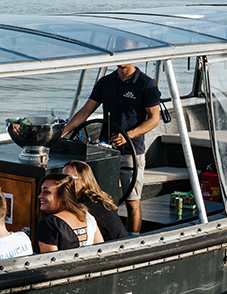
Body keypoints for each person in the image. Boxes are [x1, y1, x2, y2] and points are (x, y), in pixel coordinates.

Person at [62, 63, 162, 233]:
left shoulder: (146, 84)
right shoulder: (106, 82)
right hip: (105, 153)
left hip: (131, 152)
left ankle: (132, 240)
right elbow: (86, 111)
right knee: (100, 201)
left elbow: (154, 119)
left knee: (132, 202)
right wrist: (63, 132)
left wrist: (128, 135)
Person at [64, 160, 126, 242]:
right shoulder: (96, 199)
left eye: (68, 178)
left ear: (84, 180)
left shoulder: (86, 205)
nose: (63, 182)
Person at [34, 174, 94, 253]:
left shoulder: (49, 225)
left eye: (46, 192)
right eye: (41, 191)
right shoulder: (87, 216)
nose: (40, 196)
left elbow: (50, 262)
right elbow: (100, 248)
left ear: (63, 196)